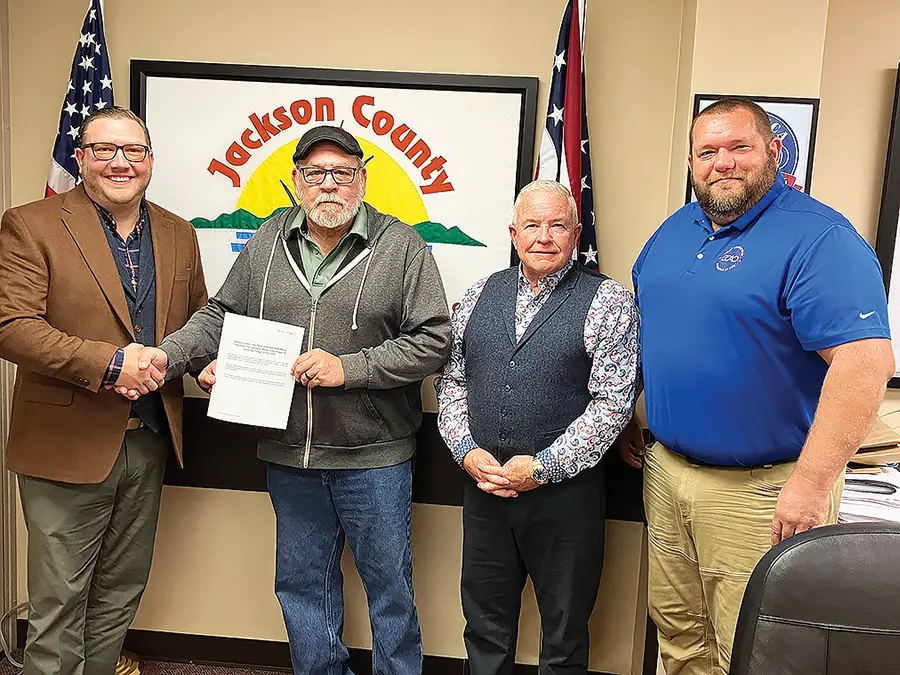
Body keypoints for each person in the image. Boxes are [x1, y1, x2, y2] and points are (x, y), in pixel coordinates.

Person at [124, 125, 451, 675]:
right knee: (301, 588)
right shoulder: (267, 239)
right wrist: (168, 356)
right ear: (296, 181)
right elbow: (221, 314)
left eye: (342, 173)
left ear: (362, 180)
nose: (330, 185)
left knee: (389, 590)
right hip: (289, 455)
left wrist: (349, 369)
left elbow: (434, 340)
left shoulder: (402, 246)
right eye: (315, 173)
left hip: (373, 456)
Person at [627, 97, 895, 675]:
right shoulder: (673, 232)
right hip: (668, 473)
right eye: (708, 151)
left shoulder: (820, 239)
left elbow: (865, 362)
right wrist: (630, 416)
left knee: (753, 651)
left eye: (739, 147)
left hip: (764, 491)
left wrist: (811, 482)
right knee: (679, 637)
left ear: (774, 150)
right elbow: (648, 336)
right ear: (693, 162)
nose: (722, 161)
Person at [0, 106, 208, 675]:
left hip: (149, 441)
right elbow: (12, 326)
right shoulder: (31, 224)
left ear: (149, 160)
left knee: (119, 593)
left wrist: (207, 366)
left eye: (133, 151)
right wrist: (110, 363)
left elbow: (194, 323)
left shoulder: (176, 232)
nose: (121, 162)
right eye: (105, 150)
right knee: (59, 605)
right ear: (83, 158)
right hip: (65, 442)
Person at [436, 180, 640, 675]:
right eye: (531, 225)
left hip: (564, 500)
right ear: (513, 232)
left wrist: (544, 467)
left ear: (575, 233)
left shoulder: (607, 301)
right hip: (484, 492)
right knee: (484, 627)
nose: (544, 237)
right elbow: (452, 382)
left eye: (557, 225)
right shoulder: (480, 293)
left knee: (564, 634)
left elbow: (613, 403)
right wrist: (465, 448)